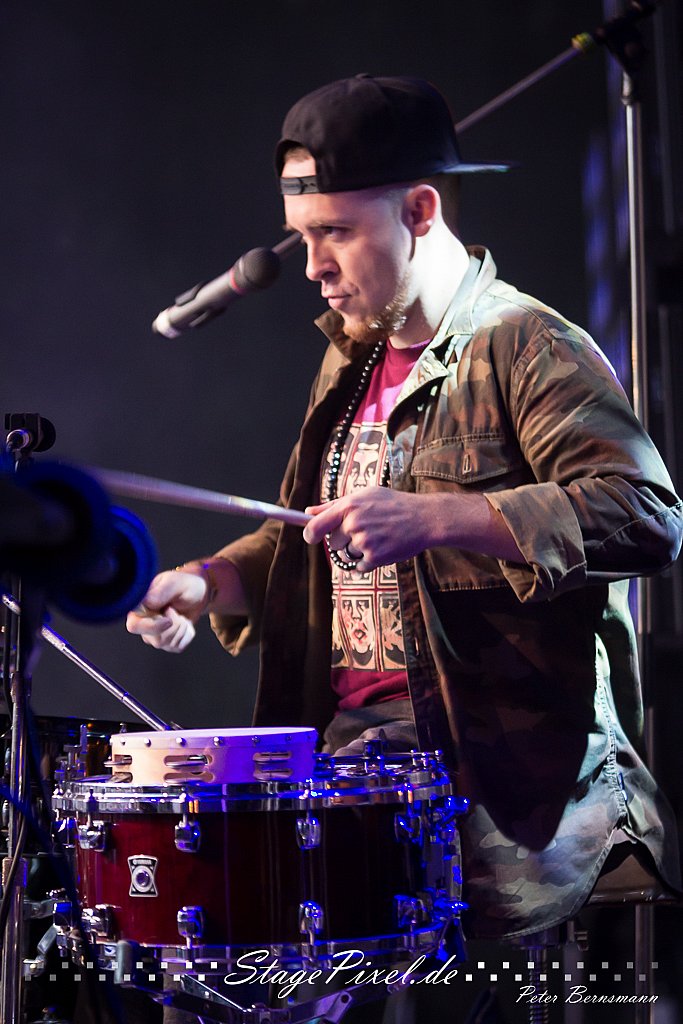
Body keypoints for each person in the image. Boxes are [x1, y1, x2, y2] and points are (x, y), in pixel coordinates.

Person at [127, 75, 683, 949]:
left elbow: (644, 513)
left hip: (498, 783)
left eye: (335, 233)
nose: (312, 266)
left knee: (271, 947)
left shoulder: (525, 344)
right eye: (304, 235)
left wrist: (433, 518)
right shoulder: (350, 360)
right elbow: (309, 535)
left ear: (420, 210)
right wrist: (209, 583)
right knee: (199, 935)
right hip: (356, 760)